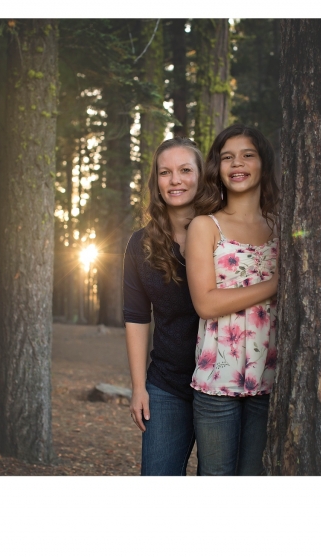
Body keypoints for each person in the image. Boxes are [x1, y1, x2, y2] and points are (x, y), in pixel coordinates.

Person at [185, 123, 280, 476]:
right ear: (218, 168)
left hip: (271, 381)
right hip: (217, 381)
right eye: (228, 157)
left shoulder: (282, 225)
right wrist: (276, 284)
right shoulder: (205, 227)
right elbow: (206, 304)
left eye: (247, 155)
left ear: (263, 164)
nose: (237, 164)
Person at [123, 137, 205, 475]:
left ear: (202, 176)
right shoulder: (140, 244)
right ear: (155, 182)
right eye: (165, 173)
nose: (175, 181)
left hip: (223, 384)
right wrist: (139, 386)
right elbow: (137, 317)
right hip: (167, 384)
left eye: (185, 170)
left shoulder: (224, 233)